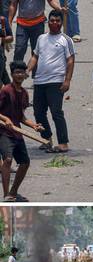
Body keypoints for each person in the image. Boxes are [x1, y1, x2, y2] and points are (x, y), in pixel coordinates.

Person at [27, 9, 74, 153]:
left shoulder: (66, 40)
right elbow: (35, 56)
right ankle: (47, 139)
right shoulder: (41, 38)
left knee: (56, 112)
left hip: (56, 80)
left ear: (61, 22)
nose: (54, 23)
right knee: (38, 112)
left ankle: (63, 143)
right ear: (48, 22)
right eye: (52, 20)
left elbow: (70, 61)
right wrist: (27, 70)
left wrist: (67, 81)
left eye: (57, 21)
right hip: (40, 80)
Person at [0, 61, 43, 202]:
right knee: (7, 160)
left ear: (26, 75)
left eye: (21, 72)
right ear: (12, 74)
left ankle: (13, 192)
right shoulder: (5, 90)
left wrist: (34, 126)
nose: (19, 75)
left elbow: (21, 117)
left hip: (16, 132)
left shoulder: (24, 93)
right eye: (16, 72)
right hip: (3, 132)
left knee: (24, 163)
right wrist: (5, 119)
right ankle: (6, 194)